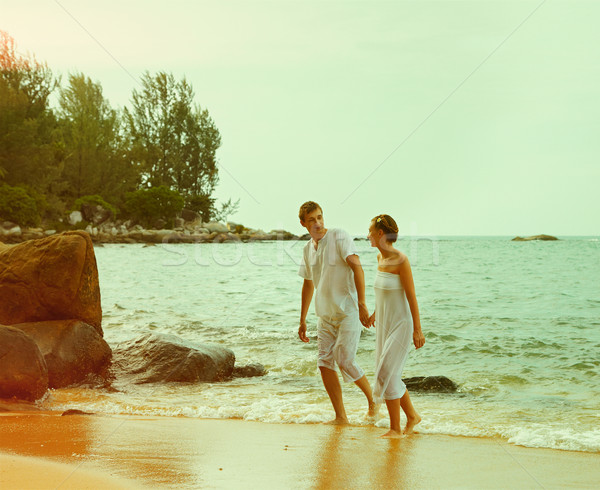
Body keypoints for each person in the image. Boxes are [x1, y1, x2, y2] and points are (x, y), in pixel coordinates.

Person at [297, 201, 376, 424]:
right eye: (311, 219)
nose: (318, 223)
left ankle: (373, 401)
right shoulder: (307, 249)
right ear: (303, 223)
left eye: (320, 217)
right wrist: (302, 319)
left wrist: (362, 303)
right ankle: (341, 416)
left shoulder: (339, 236)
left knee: (344, 359)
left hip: (348, 311)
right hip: (325, 315)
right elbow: (308, 283)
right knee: (324, 363)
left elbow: (357, 266)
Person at [366, 214, 425, 438]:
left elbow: (411, 297)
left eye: (370, 231)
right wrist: (374, 313)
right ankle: (411, 416)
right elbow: (384, 293)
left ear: (380, 234)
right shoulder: (380, 259)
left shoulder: (401, 260)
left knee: (386, 373)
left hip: (401, 324)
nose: (367, 235)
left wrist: (417, 330)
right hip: (384, 324)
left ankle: (395, 428)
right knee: (390, 374)